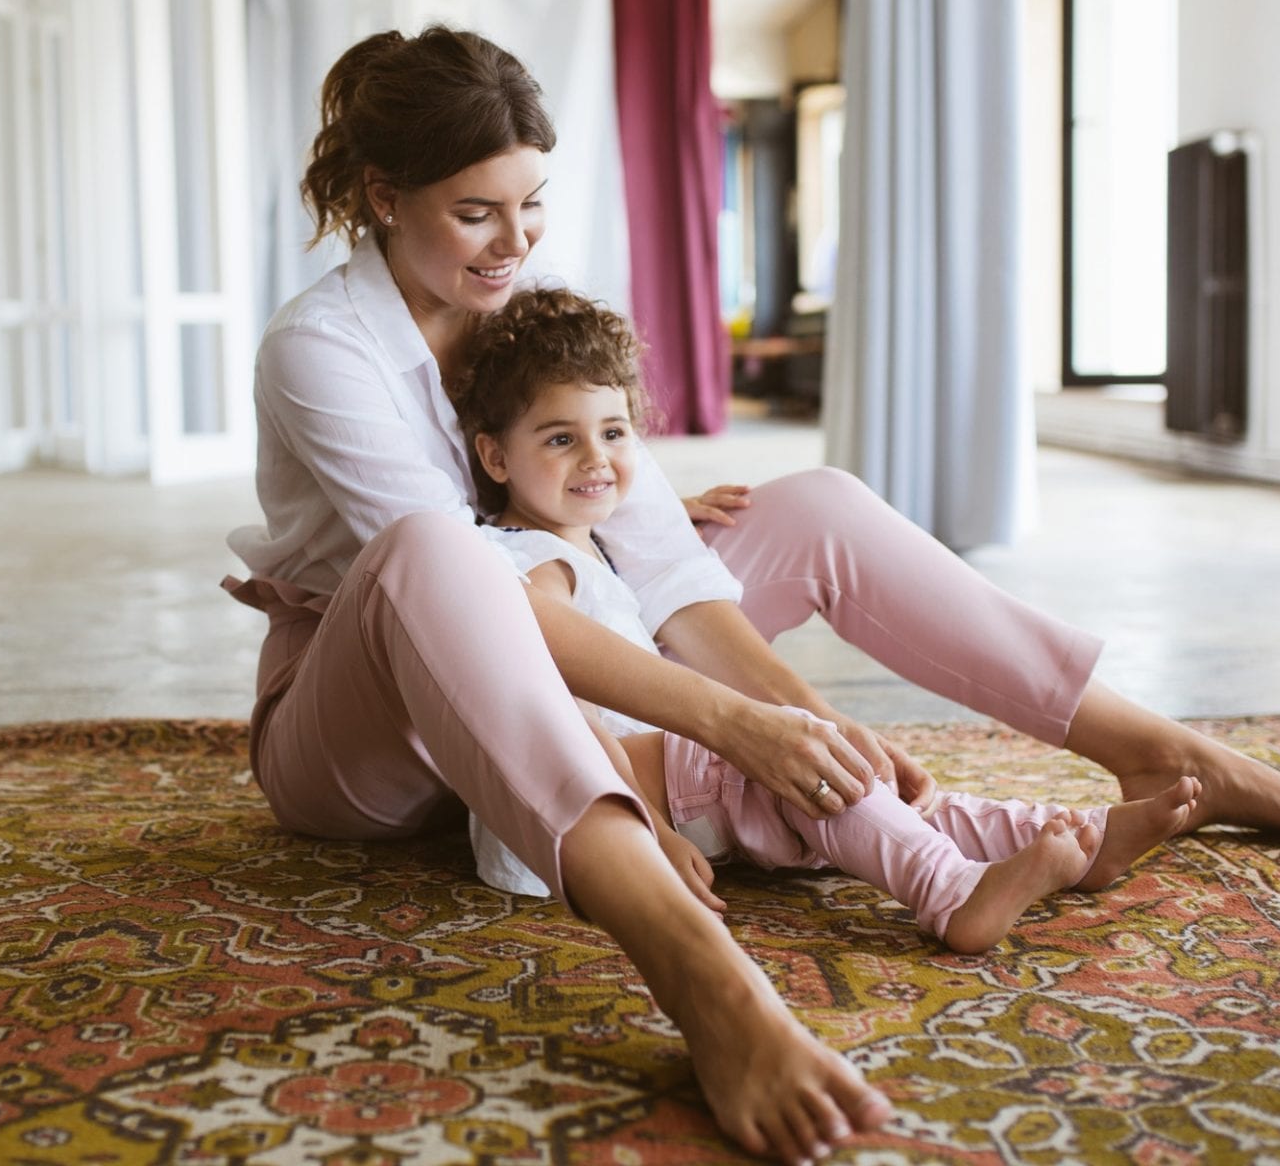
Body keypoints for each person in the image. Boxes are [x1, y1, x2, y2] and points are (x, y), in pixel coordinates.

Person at [222, 25, 1280, 1165]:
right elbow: (492, 599)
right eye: (476, 212)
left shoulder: (531, 304)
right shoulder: (321, 347)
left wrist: (810, 728)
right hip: (374, 739)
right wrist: (734, 725)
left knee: (810, 501)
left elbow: (660, 556)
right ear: (381, 194)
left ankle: (1157, 749)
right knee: (441, 550)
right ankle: (704, 978)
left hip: (572, 656)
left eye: (531, 202)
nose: (512, 240)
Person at [447, 289, 1205, 953]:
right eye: (560, 439)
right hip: (627, 801)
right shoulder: (525, 564)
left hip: (675, 788)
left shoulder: (587, 548)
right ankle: (952, 895)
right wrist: (644, 830)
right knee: (819, 773)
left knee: (849, 800)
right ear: (496, 456)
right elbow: (557, 720)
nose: (597, 459)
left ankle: (1070, 837)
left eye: (613, 433)